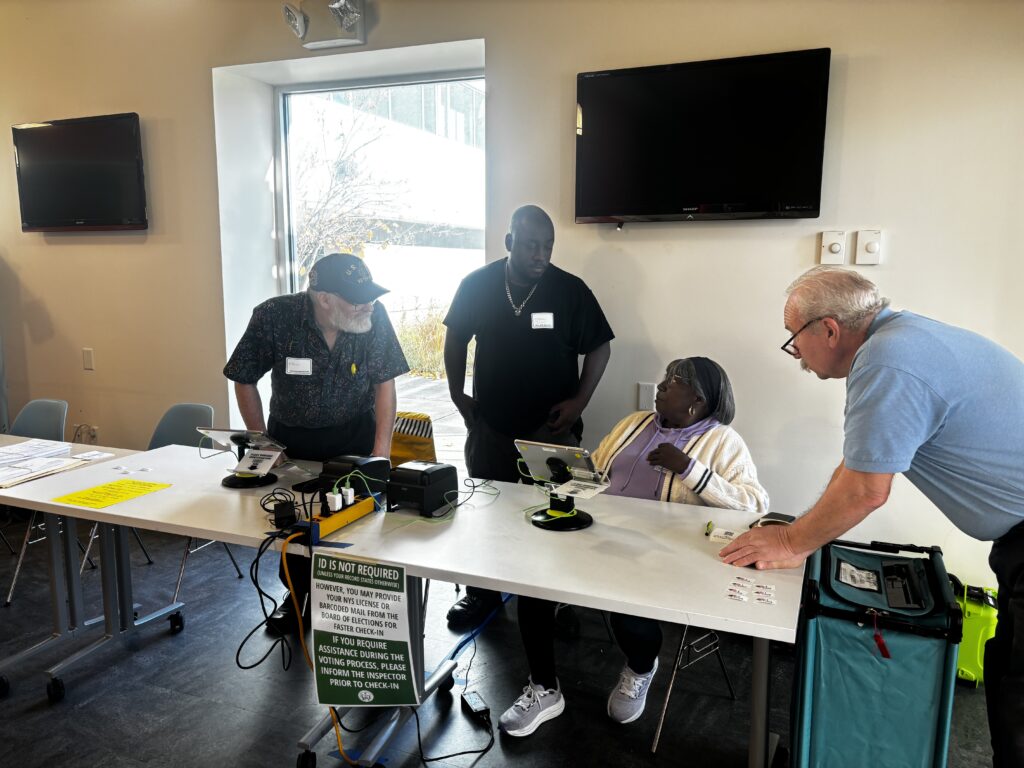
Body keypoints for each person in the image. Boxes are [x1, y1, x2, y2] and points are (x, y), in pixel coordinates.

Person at [719, 266, 1024, 767]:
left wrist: (793, 542)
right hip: (1017, 542)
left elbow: (865, 490)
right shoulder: (903, 337)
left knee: (1023, 708)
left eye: (793, 339)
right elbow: (860, 464)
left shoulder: (887, 360)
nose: (794, 354)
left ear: (830, 330)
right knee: (1010, 683)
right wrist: (796, 531)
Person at [498, 356, 768, 737]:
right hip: (594, 533)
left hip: (660, 553)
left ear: (699, 399)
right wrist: (568, 474)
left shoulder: (723, 440)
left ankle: (641, 668)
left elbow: (754, 504)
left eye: (673, 381)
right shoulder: (635, 423)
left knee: (627, 613)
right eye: (665, 378)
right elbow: (598, 470)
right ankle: (544, 688)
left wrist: (689, 468)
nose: (660, 386)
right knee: (533, 588)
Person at [443, 204, 614, 631]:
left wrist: (579, 402)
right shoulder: (478, 285)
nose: (542, 255)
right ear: (509, 243)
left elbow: (600, 347)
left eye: (548, 247)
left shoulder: (570, 290)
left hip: (552, 428)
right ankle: (482, 593)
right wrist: (455, 393)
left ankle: (553, 599)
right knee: (486, 507)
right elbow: (456, 338)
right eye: (532, 246)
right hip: (491, 422)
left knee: (557, 510)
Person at [224, 252, 408, 634]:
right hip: (292, 442)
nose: (368, 304)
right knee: (294, 526)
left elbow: (384, 385)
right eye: (358, 298)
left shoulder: (373, 318)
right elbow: (243, 377)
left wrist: (381, 453)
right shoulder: (275, 316)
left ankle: (351, 615)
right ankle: (295, 601)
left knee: (355, 527)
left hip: (354, 438)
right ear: (324, 298)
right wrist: (266, 445)